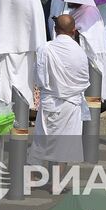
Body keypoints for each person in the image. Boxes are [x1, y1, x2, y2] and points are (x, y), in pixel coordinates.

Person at [32, 14, 89, 163]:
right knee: (64, 148)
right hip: (71, 105)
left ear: (56, 29)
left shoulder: (45, 49)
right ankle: (56, 185)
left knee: (40, 144)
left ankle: (29, 180)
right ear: (74, 30)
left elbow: (39, 79)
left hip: (50, 103)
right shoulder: (80, 52)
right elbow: (84, 81)